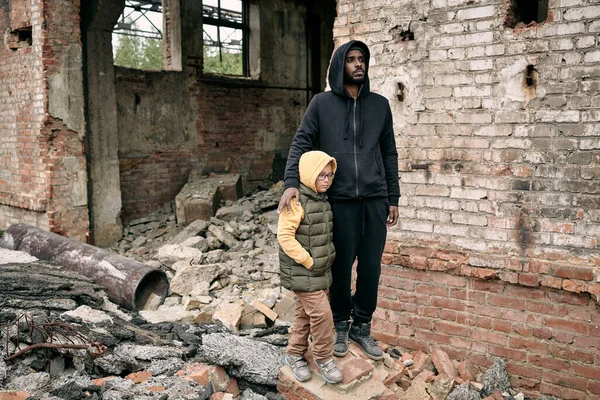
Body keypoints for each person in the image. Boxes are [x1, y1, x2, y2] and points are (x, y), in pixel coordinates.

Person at [277, 40, 399, 361]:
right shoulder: (321, 104)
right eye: (351, 60)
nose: (358, 64)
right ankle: (341, 324)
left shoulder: (380, 105)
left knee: (371, 266)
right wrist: (291, 182)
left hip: (375, 199)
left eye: (362, 59)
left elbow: (389, 153)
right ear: (339, 65)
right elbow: (300, 142)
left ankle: (362, 325)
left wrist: (393, 197)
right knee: (341, 266)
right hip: (340, 201)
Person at [278, 150, 343, 384]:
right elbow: (285, 237)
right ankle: (324, 358)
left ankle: (294, 354)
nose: (326, 180)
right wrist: (309, 261)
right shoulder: (295, 202)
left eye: (329, 175)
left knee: (304, 315)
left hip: (318, 272)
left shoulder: (321, 200)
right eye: (321, 175)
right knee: (323, 315)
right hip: (303, 272)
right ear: (308, 174)